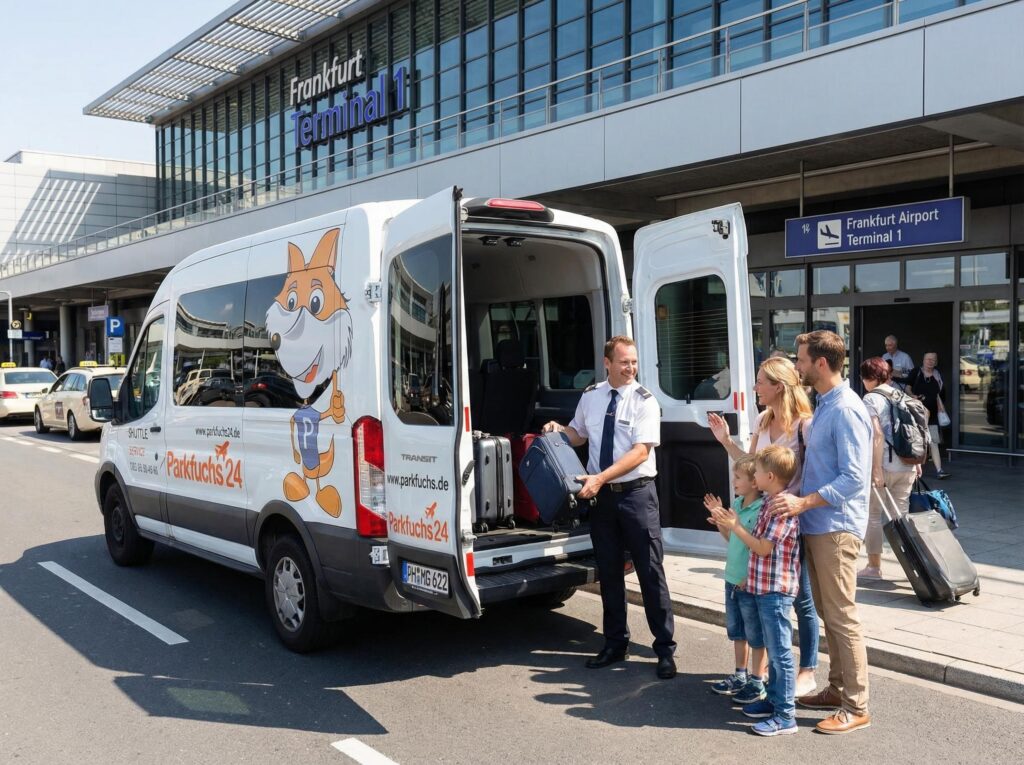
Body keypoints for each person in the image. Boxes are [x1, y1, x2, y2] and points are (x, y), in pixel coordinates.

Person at [543, 335, 676, 679]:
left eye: (633, 362)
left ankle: (664, 649)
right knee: (609, 574)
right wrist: (561, 430)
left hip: (636, 495)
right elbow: (580, 434)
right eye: (623, 362)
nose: (631, 368)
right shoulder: (591, 396)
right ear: (607, 363)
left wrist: (599, 477)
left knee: (650, 573)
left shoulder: (645, 401)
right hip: (602, 498)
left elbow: (640, 452)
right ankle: (615, 643)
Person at [771, 330, 872, 735]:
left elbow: (853, 478)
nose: (797, 367)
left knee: (842, 616)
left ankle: (857, 705)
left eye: (801, 360)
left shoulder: (846, 409)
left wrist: (803, 502)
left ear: (821, 364)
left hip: (835, 528)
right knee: (831, 615)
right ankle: (836, 688)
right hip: (819, 526)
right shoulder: (827, 403)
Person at [707, 356, 819, 697]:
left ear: (778, 387)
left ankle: (807, 670)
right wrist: (726, 441)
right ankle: (763, 670)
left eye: (760, 382)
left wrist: (801, 504)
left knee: (801, 600)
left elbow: (816, 476)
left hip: (794, 523)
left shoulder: (805, 425)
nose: (755, 388)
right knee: (765, 598)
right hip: (765, 520)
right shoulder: (762, 420)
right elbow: (751, 468)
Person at [710, 445, 802, 737]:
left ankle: (786, 717)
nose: (754, 476)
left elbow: (762, 547)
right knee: (774, 653)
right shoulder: (772, 502)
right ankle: (774, 702)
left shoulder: (779, 507)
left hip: (776, 591)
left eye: (758, 472)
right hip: (762, 588)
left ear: (769, 476)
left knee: (780, 654)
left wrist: (735, 526)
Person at [703, 456, 769, 704]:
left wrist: (749, 576)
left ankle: (757, 680)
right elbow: (731, 538)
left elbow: (758, 547)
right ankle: (740, 675)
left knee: (756, 634)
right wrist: (720, 521)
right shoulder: (739, 504)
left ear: (755, 482)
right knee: (737, 631)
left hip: (748, 581)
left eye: (738, 478)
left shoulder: (762, 509)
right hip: (731, 578)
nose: (734, 482)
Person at [859, 357, 919, 580]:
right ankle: (913, 566)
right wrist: (918, 462)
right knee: (900, 517)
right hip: (908, 464)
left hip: (884, 465)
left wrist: (875, 469)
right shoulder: (901, 394)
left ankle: (874, 567)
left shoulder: (871, 399)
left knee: (873, 515)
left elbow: (876, 435)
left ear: (869, 378)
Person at [907, 352, 950, 479]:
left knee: (934, 441)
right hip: (916, 413)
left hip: (932, 416)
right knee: (916, 441)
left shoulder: (938, 376)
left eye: (933, 360)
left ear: (936, 362)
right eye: (928, 359)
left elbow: (942, 395)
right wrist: (912, 396)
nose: (930, 361)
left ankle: (939, 470)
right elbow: (907, 388)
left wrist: (941, 406)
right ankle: (914, 471)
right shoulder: (916, 372)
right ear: (923, 360)